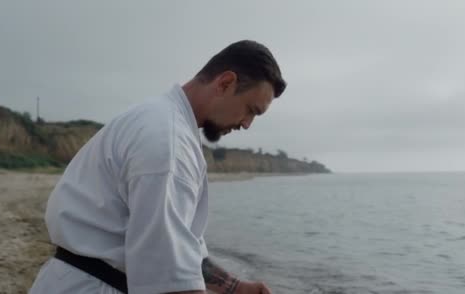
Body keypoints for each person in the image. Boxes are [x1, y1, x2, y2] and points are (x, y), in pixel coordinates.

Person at [29, 40, 286, 294]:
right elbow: (170, 280)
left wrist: (235, 288)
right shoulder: (169, 142)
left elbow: (176, 248)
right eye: (250, 110)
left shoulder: (158, 118)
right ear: (225, 83)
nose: (247, 124)